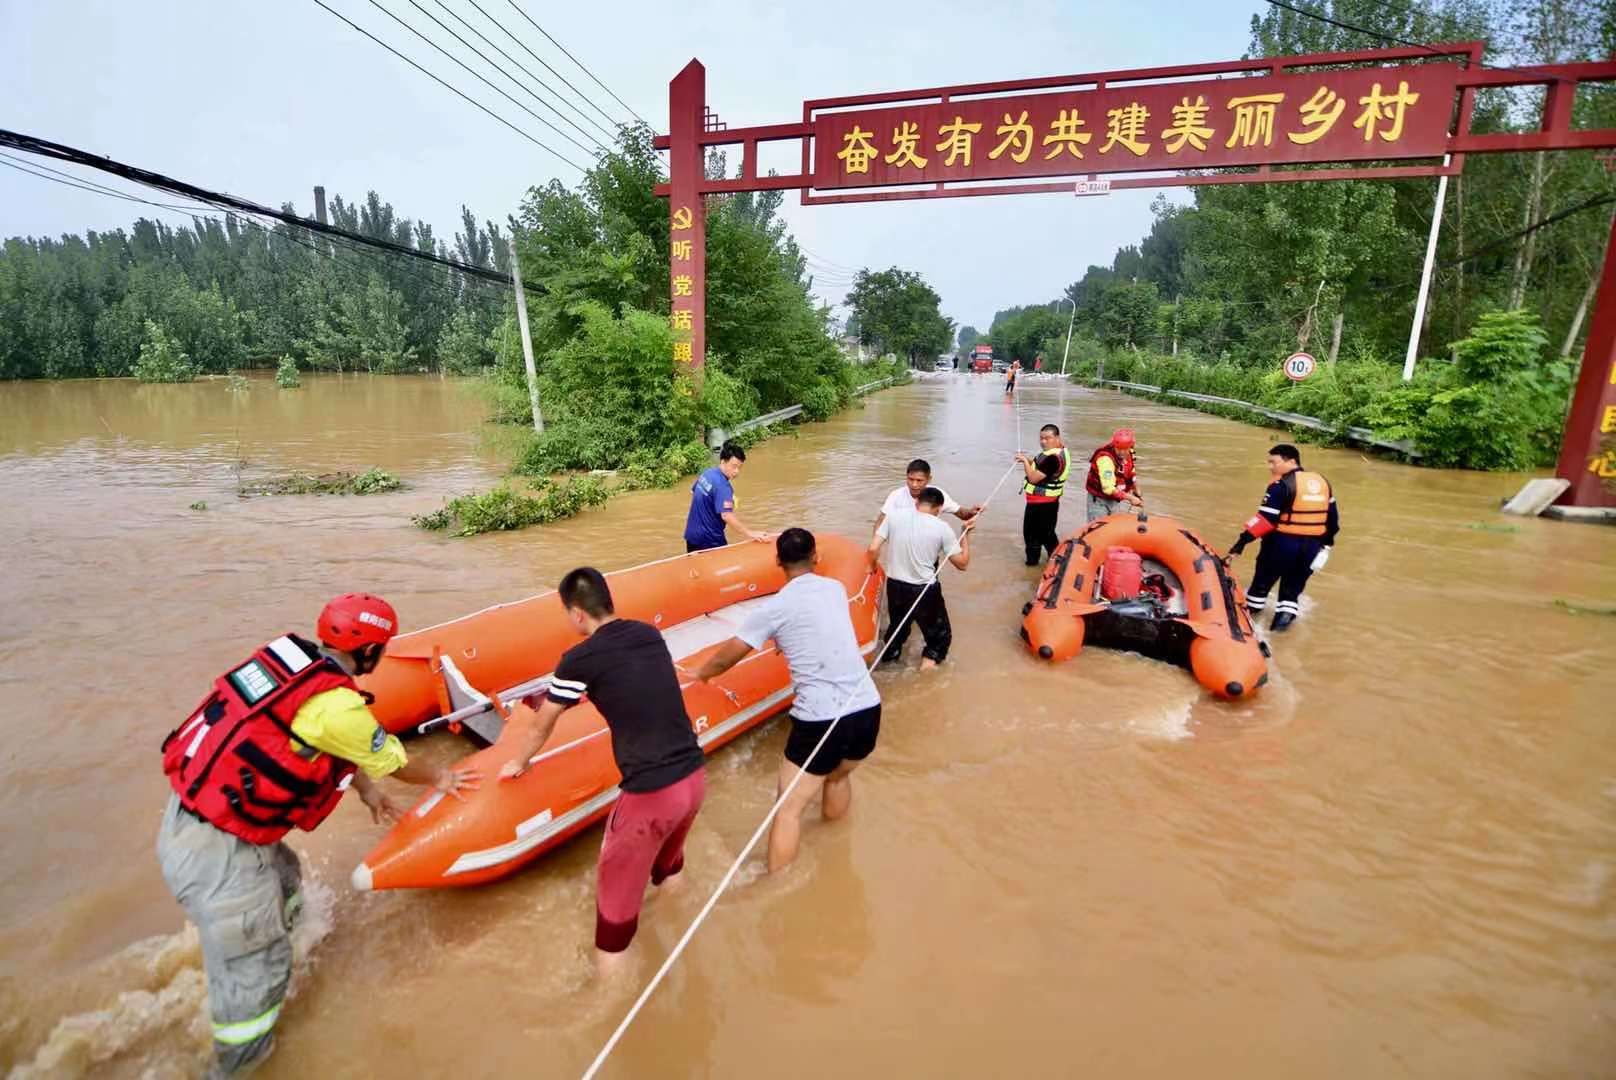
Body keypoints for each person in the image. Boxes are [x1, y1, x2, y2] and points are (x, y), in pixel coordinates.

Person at [157, 594, 480, 1075]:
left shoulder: (285, 662)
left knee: (288, 883)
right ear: (369, 650)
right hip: (220, 854)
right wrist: (443, 777)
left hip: (191, 822)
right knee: (256, 982)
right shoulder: (337, 706)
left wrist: (367, 794)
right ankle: (239, 1066)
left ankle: (278, 945)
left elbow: (317, 742)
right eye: (382, 647)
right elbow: (391, 758)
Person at [500, 568, 706, 974]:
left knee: (612, 925)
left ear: (577, 614)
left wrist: (518, 762)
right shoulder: (648, 634)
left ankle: (611, 1014)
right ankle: (679, 936)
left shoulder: (579, 659)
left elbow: (544, 722)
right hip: (694, 778)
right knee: (669, 869)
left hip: (650, 794)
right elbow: (633, 684)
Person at [693, 528, 881, 872]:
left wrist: (700, 675)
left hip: (821, 718)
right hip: (867, 706)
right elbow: (818, 629)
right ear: (816, 558)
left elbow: (728, 656)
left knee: (789, 809)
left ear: (778, 561)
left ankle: (778, 891)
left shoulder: (774, 608)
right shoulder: (835, 589)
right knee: (837, 777)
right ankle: (836, 855)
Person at [1226, 443, 1341, 632]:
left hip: (1281, 545)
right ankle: (1279, 636)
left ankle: (1244, 629)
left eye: (1274, 462)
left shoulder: (1282, 486)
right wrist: (1326, 545)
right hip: (1311, 547)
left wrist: (1239, 545)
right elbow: (1333, 521)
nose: (1271, 467)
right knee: (1291, 594)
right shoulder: (1322, 483)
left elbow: (1264, 521)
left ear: (1291, 461)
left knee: (1260, 587)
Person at [868, 487, 973, 669]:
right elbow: (962, 564)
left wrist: (871, 567)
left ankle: (890, 662)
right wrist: (966, 535)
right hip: (924, 589)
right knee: (939, 637)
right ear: (939, 509)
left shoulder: (893, 517)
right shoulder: (942, 527)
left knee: (897, 629)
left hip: (895, 586)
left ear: (916, 502)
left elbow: (872, 549)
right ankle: (926, 673)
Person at [683, 440, 768, 552]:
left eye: (739, 468)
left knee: (694, 568)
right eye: (734, 466)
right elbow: (726, 516)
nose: (736, 472)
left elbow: (694, 492)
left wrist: (716, 503)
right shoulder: (723, 487)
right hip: (710, 541)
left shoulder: (707, 473)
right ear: (723, 462)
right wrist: (750, 533)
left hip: (692, 535)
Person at [871, 458, 980, 541]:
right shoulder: (896, 495)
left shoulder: (937, 495)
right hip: (902, 549)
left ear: (929, 479)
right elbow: (880, 523)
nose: (914, 484)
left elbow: (962, 514)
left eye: (919, 480)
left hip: (928, 551)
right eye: (911, 479)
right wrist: (875, 547)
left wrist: (971, 512)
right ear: (906, 476)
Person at [1015, 423, 1071, 566]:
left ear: (1057, 438)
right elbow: (1039, 467)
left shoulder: (1053, 459)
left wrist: (1023, 462)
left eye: (1047, 438)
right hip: (1050, 502)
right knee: (1047, 533)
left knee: (1032, 536)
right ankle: (1058, 560)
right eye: (1041, 438)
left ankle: (1032, 564)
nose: (1043, 441)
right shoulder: (1061, 451)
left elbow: (1033, 478)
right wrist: (1027, 460)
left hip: (1041, 504)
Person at [1085, 427, 1144, 520]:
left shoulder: (1129, 453)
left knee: (1113, 524)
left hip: (1114, 500)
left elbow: (1131, 471)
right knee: (1098, 529)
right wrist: (1130, 498)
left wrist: (1136, 489)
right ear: (1114, 445)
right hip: (1099, 500)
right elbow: (1108, 488)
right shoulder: (1105, 460)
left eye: (1125, 449)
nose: (1122, 452)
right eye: (1119, 449)